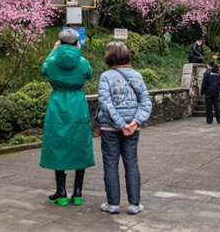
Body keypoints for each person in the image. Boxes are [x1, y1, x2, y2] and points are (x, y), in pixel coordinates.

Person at [39, 28, 95, 206]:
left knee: (58, 143)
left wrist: (54, 50)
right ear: (77, 43)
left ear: (60, 42)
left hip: (58, 102)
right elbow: (90, 75)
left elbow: (44, 69)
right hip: (77, 102)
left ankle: (61, 192)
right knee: (80, 142)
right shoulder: (83, 61)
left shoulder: (54, 60)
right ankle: (78, 192)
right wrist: (78, 53)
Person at [96, 41, 152, 216]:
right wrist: (134, 122)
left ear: (109, 57)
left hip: (110, 129)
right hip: (132, 129)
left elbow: (105, 103)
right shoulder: (137, 75)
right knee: (132, 163)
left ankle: (113, 204)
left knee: (110, 164)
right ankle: (134, 204)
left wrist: (121, 124)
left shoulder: (106, 76)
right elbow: (145, 102)